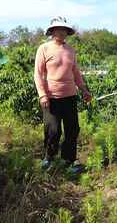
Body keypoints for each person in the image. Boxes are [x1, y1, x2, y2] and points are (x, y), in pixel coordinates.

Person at [34, 16, 92, 172]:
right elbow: (38, 74)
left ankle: (69, 160)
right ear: (52, 31)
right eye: (58, 29)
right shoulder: (44, 49)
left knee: (72, 129)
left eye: (64, 30)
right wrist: (42, 95)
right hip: (51, 97)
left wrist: (84, 90)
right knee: (53, 130)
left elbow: (76, 73)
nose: (61, 32)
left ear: (67, 32)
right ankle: (49, 158)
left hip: (70, 97)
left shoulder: (70, 50)